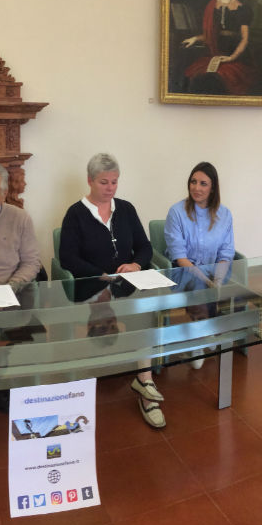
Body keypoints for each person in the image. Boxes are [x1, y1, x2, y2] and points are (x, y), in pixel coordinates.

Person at [59, 154, 162, 428]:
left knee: (145, 316)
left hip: (126, 286)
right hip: (90, 287)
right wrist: (100, 275)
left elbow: (145, 246)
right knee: (128, 315)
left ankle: (145, 383)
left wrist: (136, 264)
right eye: (104, 182)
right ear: (90, 181)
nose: (110, 188)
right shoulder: (75, 214)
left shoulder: (126, 209)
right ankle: (142, 385)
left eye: (114, 182)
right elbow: (67, 258)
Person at [164, 162, 234, 369]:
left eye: (203, 183)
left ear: (213, 188)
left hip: (214, 269)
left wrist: (217, 280)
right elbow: (180, 257)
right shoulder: (176, 212)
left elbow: (226, 253)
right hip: (182, 270)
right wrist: (207, 281)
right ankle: (200, 337)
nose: (196, 187)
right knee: (199, 286)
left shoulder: (225, 214)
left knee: (234, 288)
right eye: (193, 182)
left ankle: (207, 331)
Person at [181, 0, 259, 95]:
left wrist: (231, 58)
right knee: (193, 76)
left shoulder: (242, 8)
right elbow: (210, 35)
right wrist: (195, 38)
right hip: (214, 54)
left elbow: (244, 39)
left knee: (219, 79)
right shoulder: (211, 5)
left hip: (235, 57)